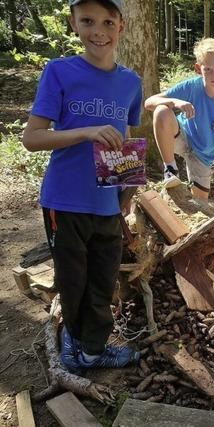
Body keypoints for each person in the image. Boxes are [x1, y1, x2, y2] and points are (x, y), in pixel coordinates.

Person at [22, 0, 141, 371]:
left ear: (121, 26)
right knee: (72, 281)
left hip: (107, 202)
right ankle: (73, 343)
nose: (98, 31)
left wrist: (129, 189)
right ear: (73, 23)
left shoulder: (130, 82)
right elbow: (32, 137)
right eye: (88, 20)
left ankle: (94, 348)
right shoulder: (60, 72)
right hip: (66, 201)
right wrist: (86, 132)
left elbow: (126, 135)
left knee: (103, 281)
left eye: (108, 21)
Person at [144, 37, 214, 201]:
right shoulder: (191, 86)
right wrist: (175, 102)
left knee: (200, 205)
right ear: (198, 68)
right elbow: (149, 103)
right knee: (162, 110)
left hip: (203, 155)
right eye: (208, 69)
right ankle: (170, 168)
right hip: (181, 138)